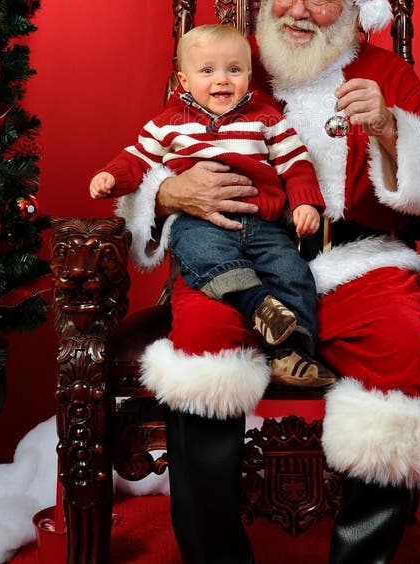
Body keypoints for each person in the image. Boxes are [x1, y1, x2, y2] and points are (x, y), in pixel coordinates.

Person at [117, 0, 420, 564]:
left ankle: (362, 557)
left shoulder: (386, 72)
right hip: (233, 252)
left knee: (396, 341)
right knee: (200, 352)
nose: (300, 10)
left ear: (352, 9)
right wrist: (168, 195)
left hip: (354, 259)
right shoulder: (226, 61)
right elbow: (152, 152)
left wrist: (394, 130)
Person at [90, 23, 334, 387]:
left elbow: (296, 162)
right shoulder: (170, 124)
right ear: (184, 81)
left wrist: (305, 204)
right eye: (207, 71)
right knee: (200, 250)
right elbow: (136, 158)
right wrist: (112, 177)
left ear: (249, 76)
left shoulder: (266, 119)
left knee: (293, 271)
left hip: (263, 223)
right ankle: (256, 303)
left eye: (234, 70)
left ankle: (292, 352)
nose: (222, 80)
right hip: (201, 221)